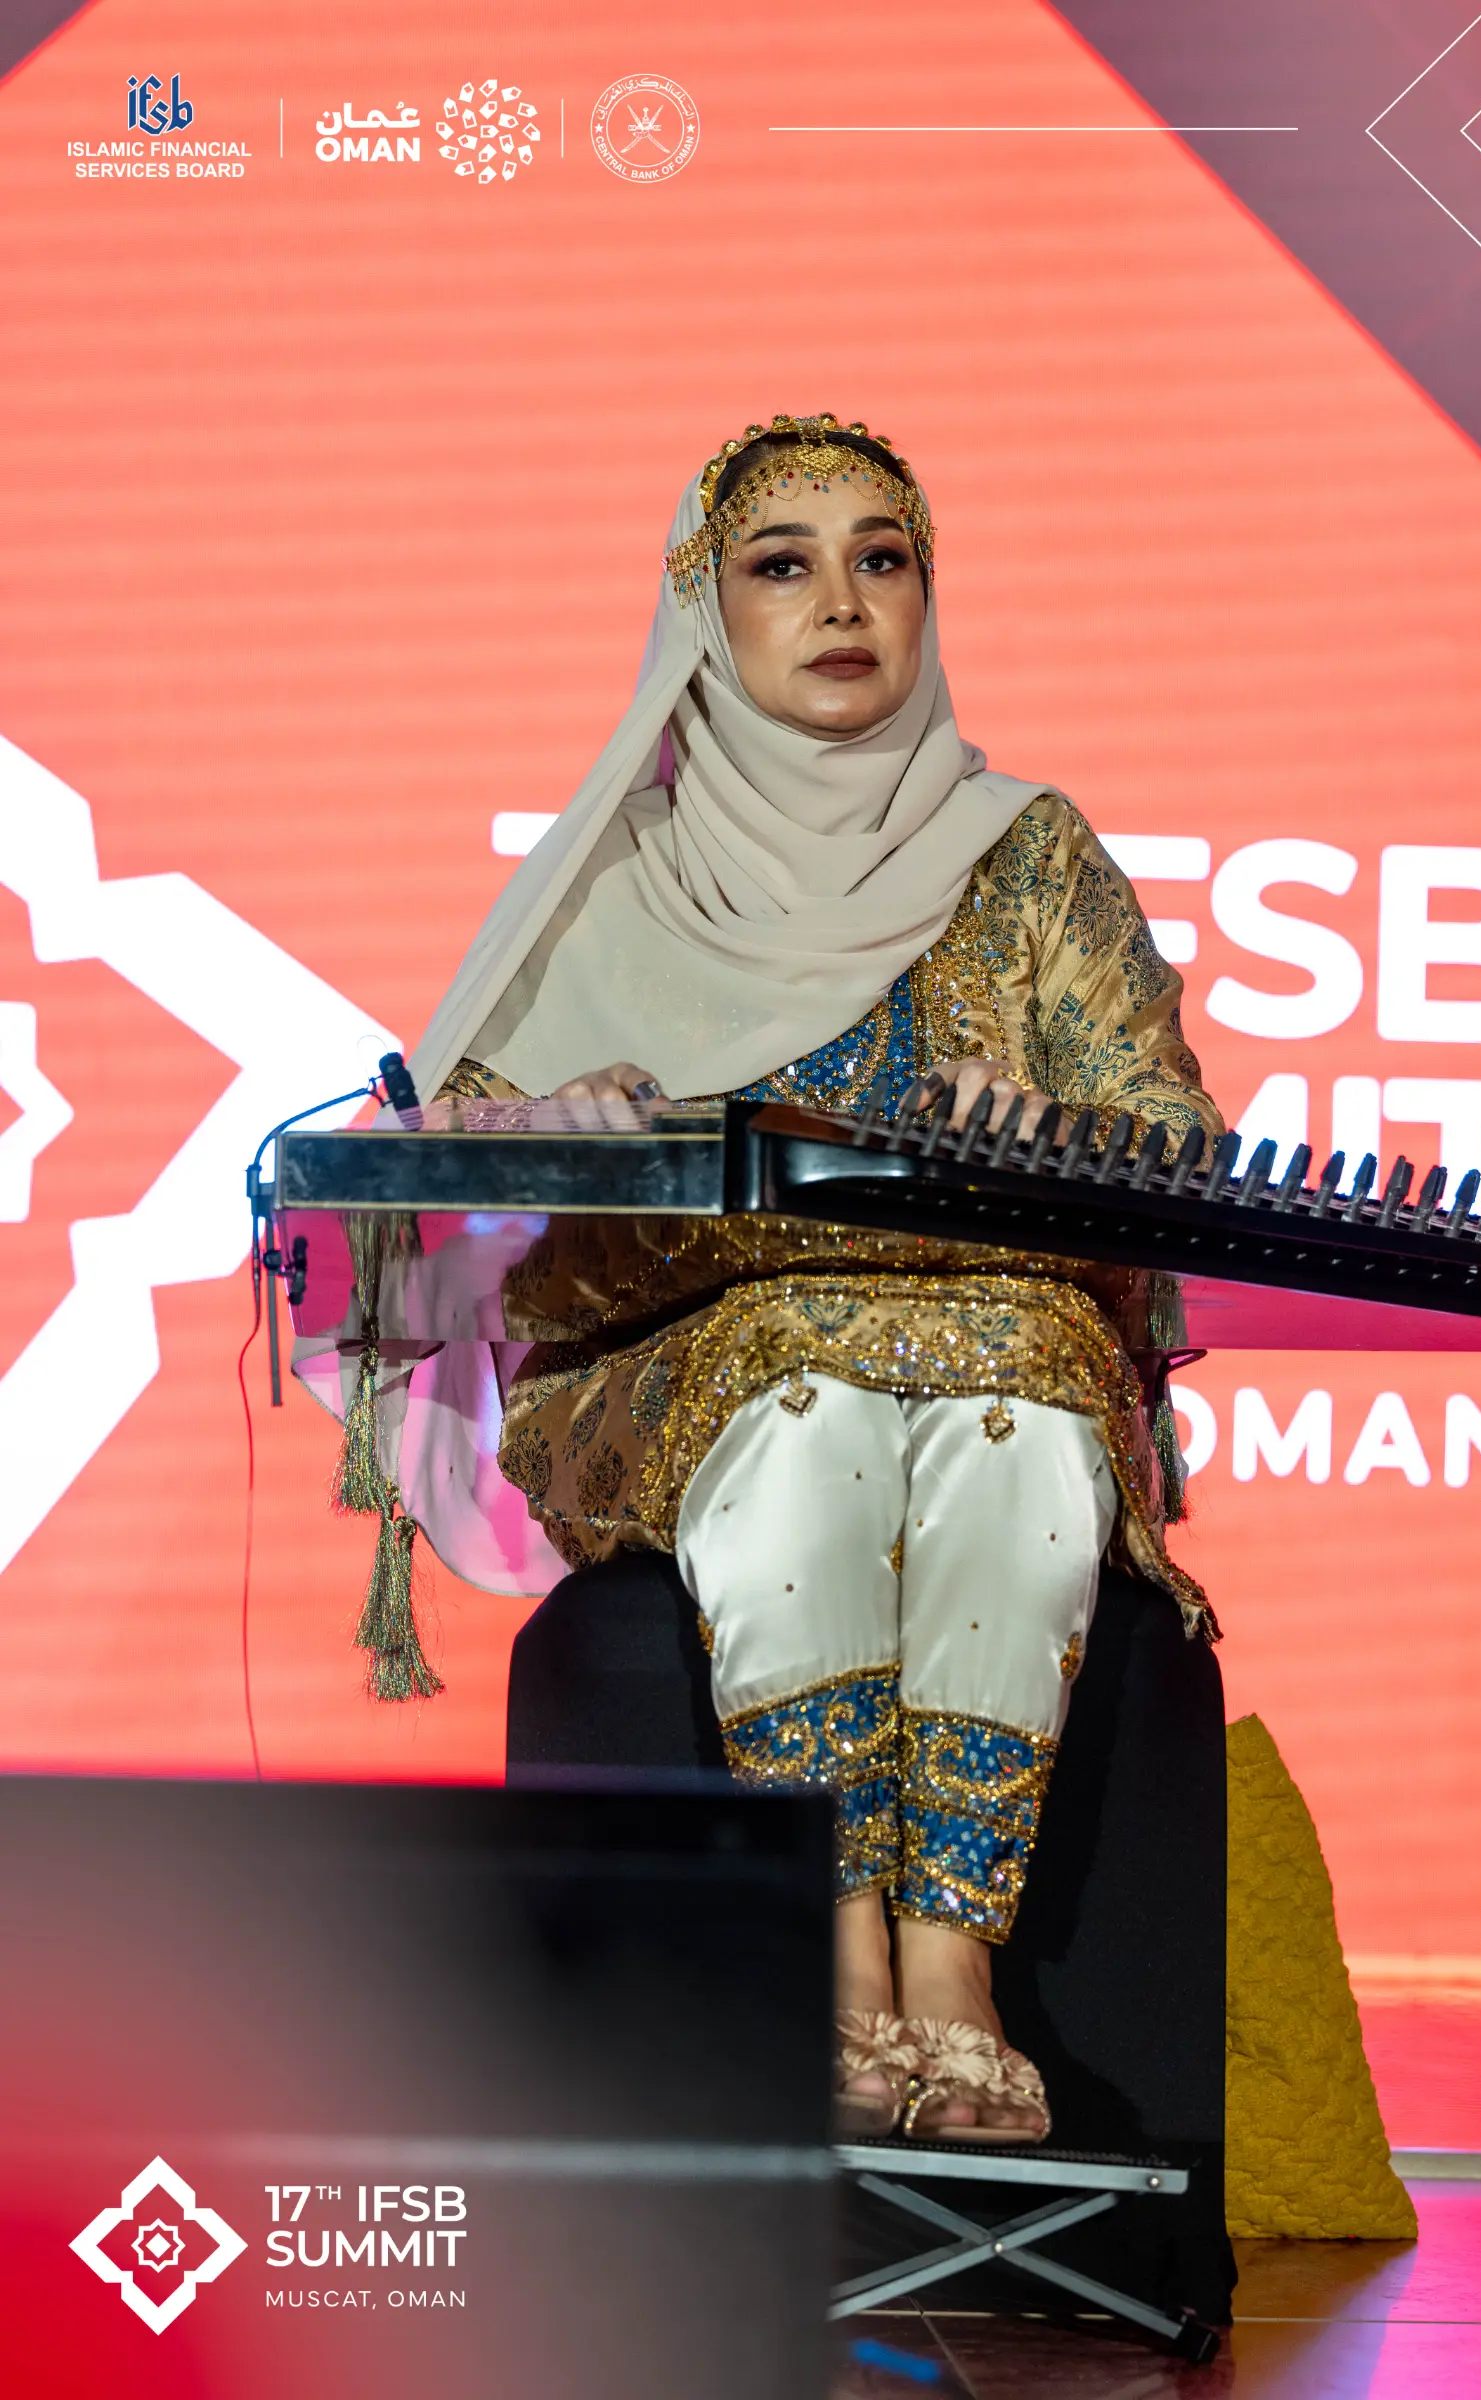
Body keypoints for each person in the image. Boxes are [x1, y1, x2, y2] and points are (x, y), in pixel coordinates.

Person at [392, 413, 1226, 2140]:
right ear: (707, 610)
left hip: (1007, 1343)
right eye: (783, 565)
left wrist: (1057, 1133)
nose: (843, 602)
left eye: (882, 559)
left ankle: (955, 1969)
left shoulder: (1028, 853)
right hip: (693, 1362)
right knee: (811, 1403)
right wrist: (562, 1121)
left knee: (1016, 1415)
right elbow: (444, 1176)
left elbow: (1175, 1147)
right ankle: (838, 1960)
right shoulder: (621, 870)